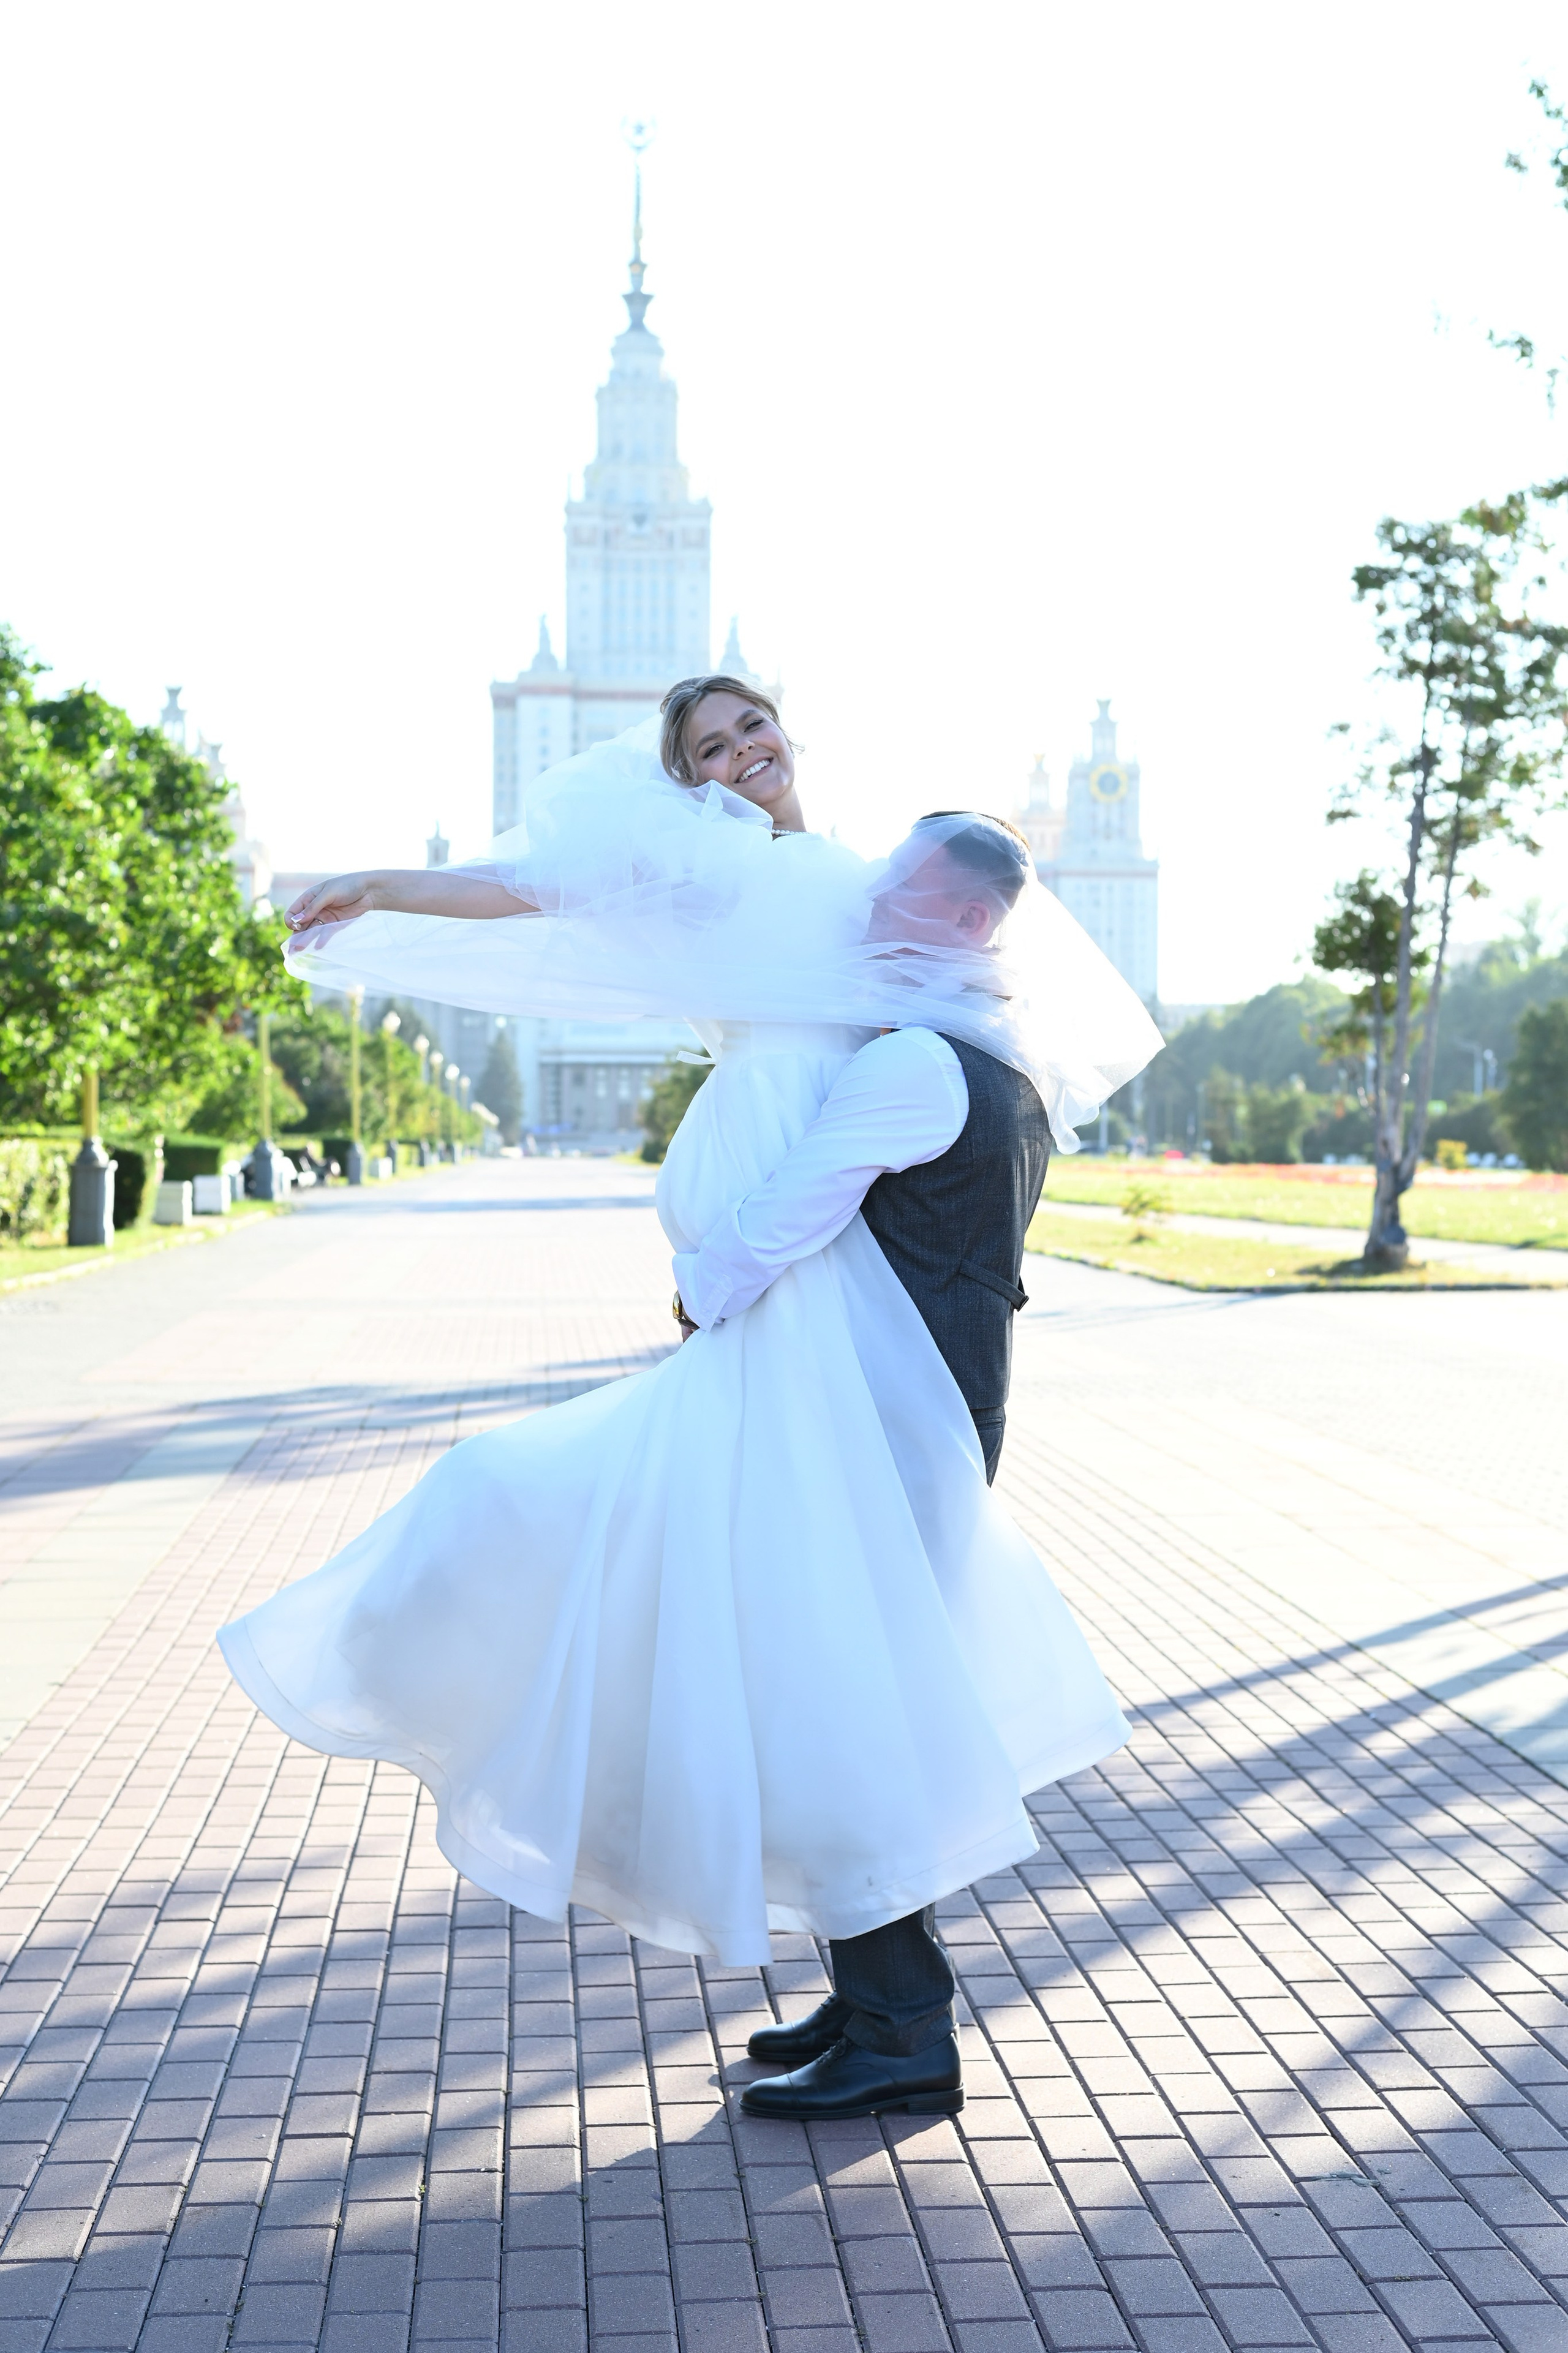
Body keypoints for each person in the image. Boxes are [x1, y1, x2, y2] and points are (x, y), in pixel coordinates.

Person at [219, 680, 1161, 2124]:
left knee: (795, 1635)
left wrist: (724, 1273)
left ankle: (893, 2014)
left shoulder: (863, 890)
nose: (743, 754)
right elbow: (531, 887)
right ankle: (878, 2002)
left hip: (817, 1304)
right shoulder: (717, 877)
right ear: (686, 783)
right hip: (801, 1303)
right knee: (774, 1624)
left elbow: (962, 933)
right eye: (710, 748)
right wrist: (382, 889)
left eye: (756, 728)